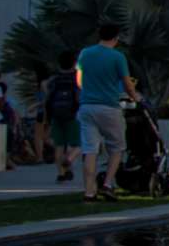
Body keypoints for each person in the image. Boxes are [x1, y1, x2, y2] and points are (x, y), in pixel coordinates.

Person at [76, 23, 139, 201]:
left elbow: (79, 80)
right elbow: (127, 84)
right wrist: (135, 97)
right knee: (117, 147)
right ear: (116, 38)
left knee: (90, 150)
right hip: (109, 106)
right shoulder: (117, 57)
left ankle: (89, 191)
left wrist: (89, 91)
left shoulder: (85, 53)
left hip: (87, 106)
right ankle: (107, 184)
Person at [39, 65, 81, 182]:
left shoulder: (54, 80)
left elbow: (48, 99)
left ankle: (61, 174)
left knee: (59, 146)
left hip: (56, 116)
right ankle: (69, 159)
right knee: (79, 144)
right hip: (73, 115)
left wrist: (47, 119)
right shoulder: (76, 79)